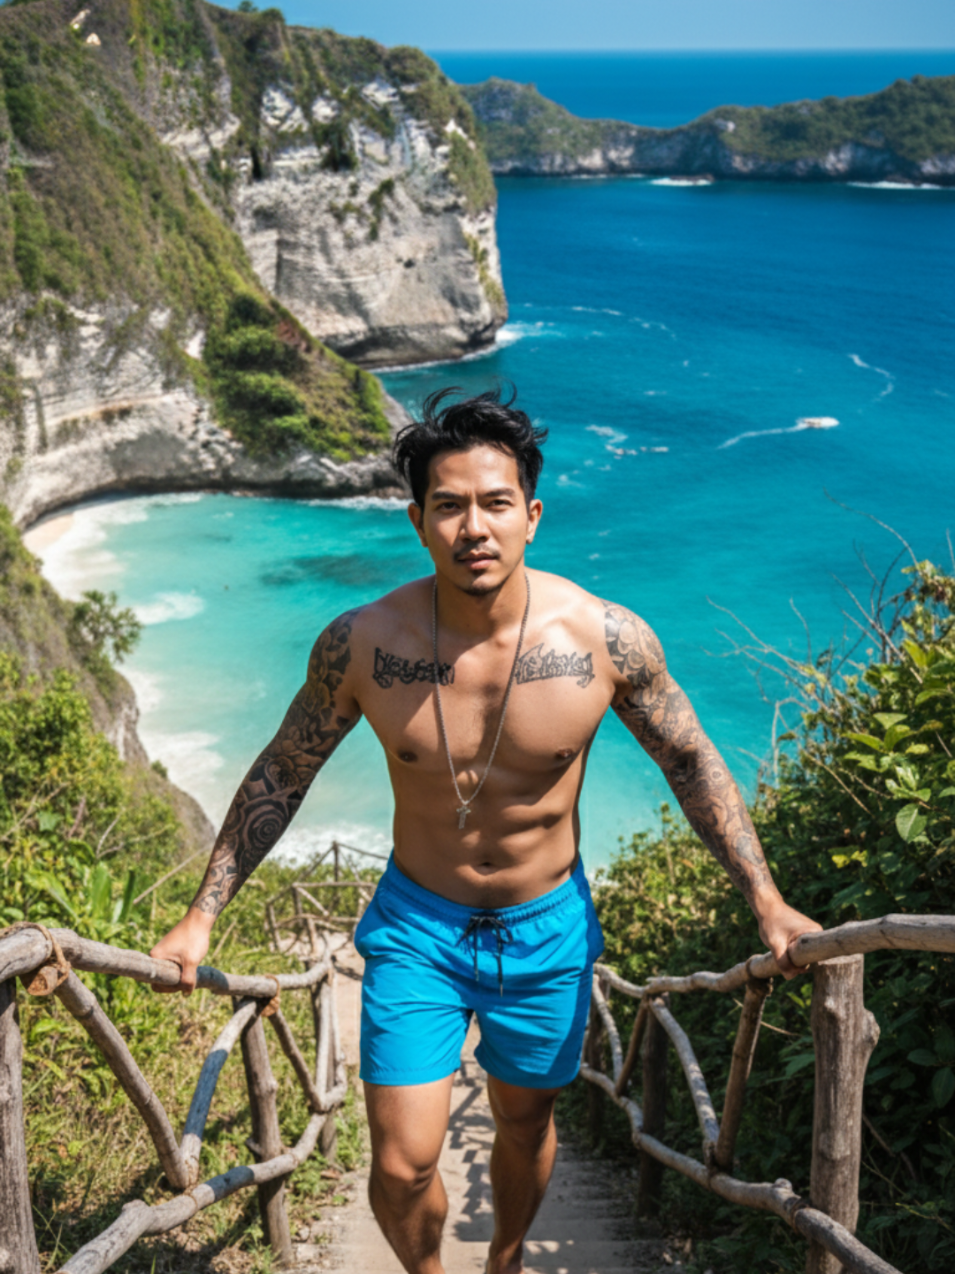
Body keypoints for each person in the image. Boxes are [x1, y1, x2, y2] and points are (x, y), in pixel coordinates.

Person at [151, 387, 821, 1274]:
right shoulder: (361, 644)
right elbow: (285, 768)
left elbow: (691, 763)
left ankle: (504, 1256)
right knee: (399, 1161)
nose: (475, 526)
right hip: (416, 925)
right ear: (417, 520)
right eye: (450, 505)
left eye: (496, 503)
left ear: (532, 516)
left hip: (548, 927)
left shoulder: (604, 639)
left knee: (524, 1119)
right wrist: (201, 915)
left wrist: (767, 903)